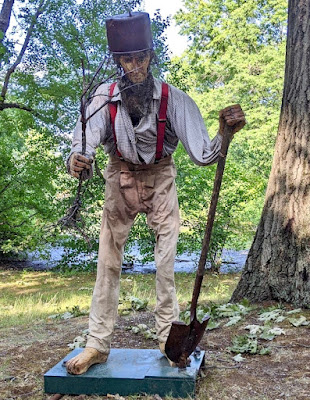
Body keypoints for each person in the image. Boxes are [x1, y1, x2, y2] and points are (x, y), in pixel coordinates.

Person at [66, 11, 245, 375]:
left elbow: (204, 154)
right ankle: (97, 345)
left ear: (151, 57)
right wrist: (77, 159)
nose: (134, 66)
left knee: (165, 265)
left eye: (140, 57)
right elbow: (84, 141)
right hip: (119, 176)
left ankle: (169, 341)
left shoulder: (174, 100)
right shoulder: (103, 98)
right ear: (117, 62)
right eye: (126, 59)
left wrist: (226, 132)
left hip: (161, 177)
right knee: (108, 262)